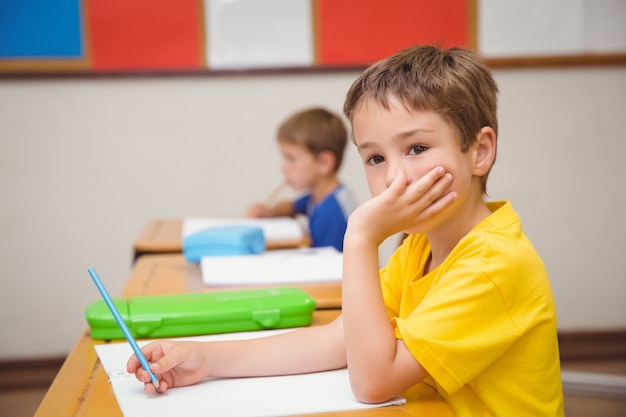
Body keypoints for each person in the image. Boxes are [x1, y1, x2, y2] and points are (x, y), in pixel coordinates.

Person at [128, 45, 564, 416]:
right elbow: (340, 338)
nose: (395, 178)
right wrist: (206, 359)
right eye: (375, 158)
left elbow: (373, 382)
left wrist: (360, 237)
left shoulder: (493, 264)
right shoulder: (420, 248)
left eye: (416, 148)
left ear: (480, 152)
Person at [245, 107, 357, 251]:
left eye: (291, 159)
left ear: (324, 163)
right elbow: (292, 206)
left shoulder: (331, 212)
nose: (283, 168)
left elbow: (329, 267)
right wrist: (269, 213)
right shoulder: (318, 197)